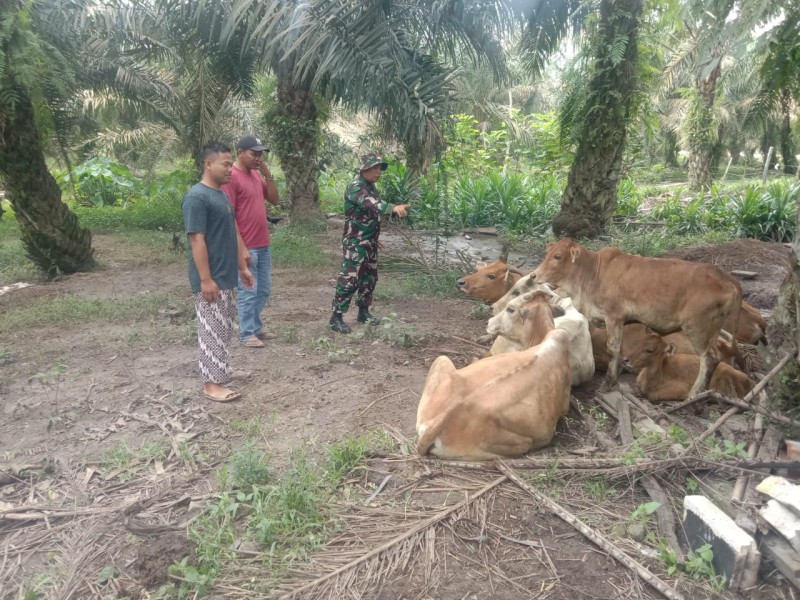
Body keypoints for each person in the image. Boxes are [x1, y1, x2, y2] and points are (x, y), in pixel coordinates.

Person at [182, 142, 254, 402]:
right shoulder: (196, 197)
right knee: (211, 329)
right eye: (225, 164)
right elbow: (196, 240)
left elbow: (233, 232)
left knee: (223, 328)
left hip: (226, 275)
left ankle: (222, 370)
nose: (230, 170)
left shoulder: (221, 195)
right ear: (207, 164)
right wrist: (205, 279)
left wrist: (242, 267)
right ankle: (212, 385)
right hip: (210, 279)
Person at [329, 152, 410, 334]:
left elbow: (369, 215)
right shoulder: (356, 187)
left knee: (369, 278)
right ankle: (336, 317)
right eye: (374, 168)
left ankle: (363, 312)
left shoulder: (371, 186)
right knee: (350, 278)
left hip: (369, 242)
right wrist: (392, 208)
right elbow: (371, 204)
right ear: (364, 168)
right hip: (355, 243)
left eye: (380, 168)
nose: (378, 172)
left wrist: (374, 237)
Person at [221, 135, 281, 349]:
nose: (258, 158)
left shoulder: (256, 175)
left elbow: (274, 200)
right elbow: (230, 215)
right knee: (248, 291)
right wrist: (241, 246)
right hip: (245, 245)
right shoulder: (232, 177)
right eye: (253, 153)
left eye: (260, 154)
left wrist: (268, 175)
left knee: (263, 290)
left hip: (263, 243)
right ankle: (247, 333)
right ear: (239, 152)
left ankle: (255, 326)